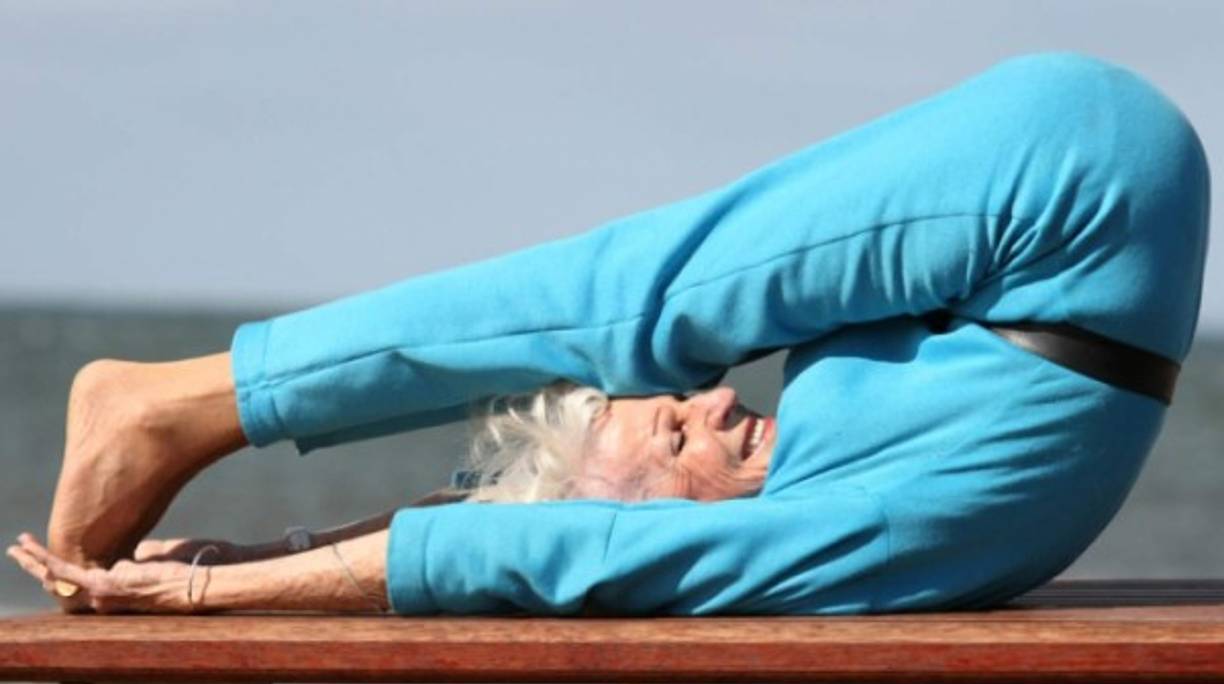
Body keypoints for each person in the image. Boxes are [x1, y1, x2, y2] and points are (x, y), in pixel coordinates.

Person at [6, 51, 1211, 617]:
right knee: (637, 312)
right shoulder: (830, 529)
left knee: (636, 314)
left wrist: (235, 577)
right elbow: (551, 544)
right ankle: (188, 402)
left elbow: (542, 545)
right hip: (1081, 197)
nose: (721, 403)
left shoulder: (807, 522)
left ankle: (177, 403)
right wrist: (235, 580)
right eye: (689, 435)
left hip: (1063, 210)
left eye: (680, 423)